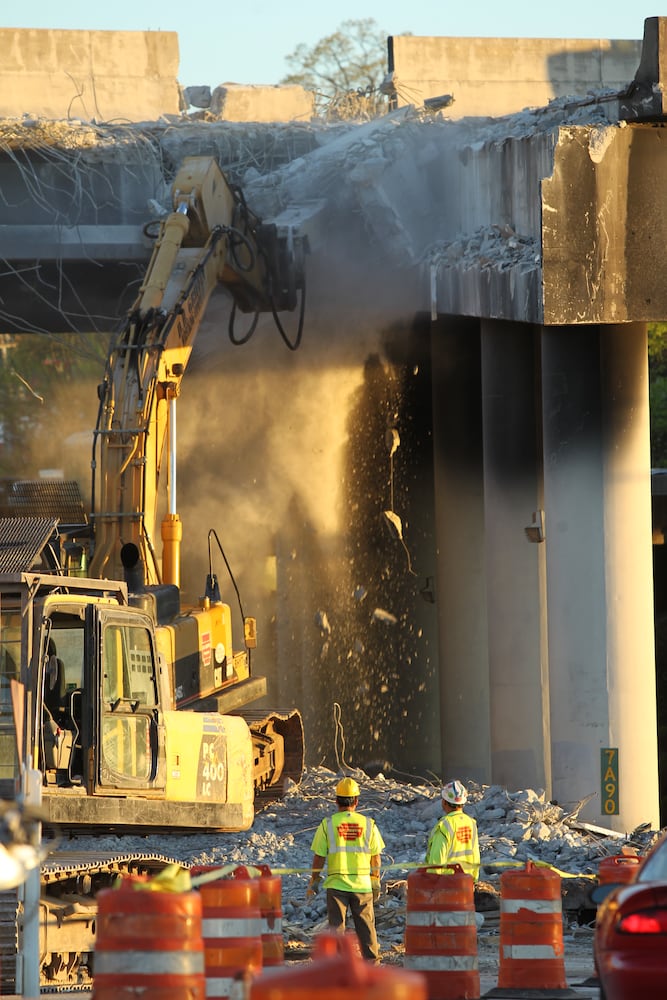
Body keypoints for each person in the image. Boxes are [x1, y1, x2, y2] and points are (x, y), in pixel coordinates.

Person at [307, 776, 385, 961]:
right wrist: (375, 880)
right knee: (366, 928)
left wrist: (314, 881)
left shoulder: (327, 825)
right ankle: (372, 964)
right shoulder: (368, 824)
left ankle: (340, 967)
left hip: (336, 885)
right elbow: (376, 856)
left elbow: (319, 857)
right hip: (362, 885)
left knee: (337, 930)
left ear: (336, 800)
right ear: (357, 801)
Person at [424, 779, 480, 880]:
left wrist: (432, 882)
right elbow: (475, 854)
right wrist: (474, 880)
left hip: (447, 884)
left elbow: (437, 860)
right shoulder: (471, 823)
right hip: (466, 882)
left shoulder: (444, 825)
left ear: (444, 802)